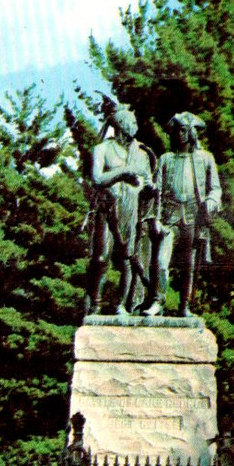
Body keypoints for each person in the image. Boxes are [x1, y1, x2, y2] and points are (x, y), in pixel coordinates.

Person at [143, 111, 221, 318]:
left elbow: (216, 189)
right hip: (170, 217)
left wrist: (211, 202)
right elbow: (156, 191)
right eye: (178, 130)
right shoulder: (166, 159)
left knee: (189, 265)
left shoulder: (205, 158)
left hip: (194, 217)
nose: (182, 134)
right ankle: (158, 300)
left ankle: (184, 306)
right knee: (161, 261)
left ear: (193, 133)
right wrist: (155, 218)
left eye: (186, 130)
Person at [84, 103, 155, 316]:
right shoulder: (103, 149)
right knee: (101, 258)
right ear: (122, 124)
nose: (135, 126)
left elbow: (146, 180)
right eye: (132, 122)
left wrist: (149, 187)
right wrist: (123, 172)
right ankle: (94, 305)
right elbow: (97, 179)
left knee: (127, 260)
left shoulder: (141, 153)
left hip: (131, 209)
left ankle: (120, 305)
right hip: (107, 209)